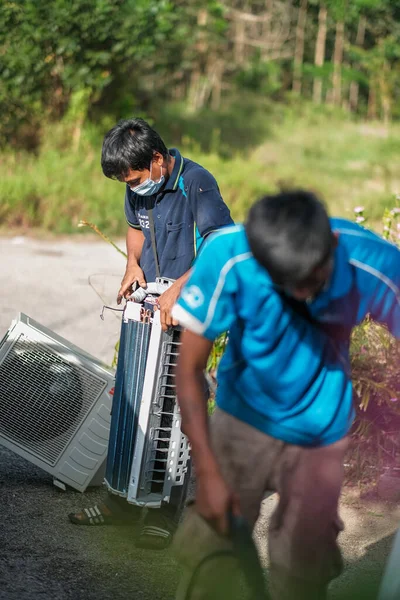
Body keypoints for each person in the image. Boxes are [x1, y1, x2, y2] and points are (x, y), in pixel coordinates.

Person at [171, 190, 400, 599]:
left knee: (303, 564)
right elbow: (188, 370)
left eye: (311, 281)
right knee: (214, 548)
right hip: (241, 420)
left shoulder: (372, 261)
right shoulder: (228, 255)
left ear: (330, 245)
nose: (300, 295)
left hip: (320, 432)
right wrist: (207, 473)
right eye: (285, 284)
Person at [68, 117, 233, 549]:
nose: (132, 185)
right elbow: (135, 227)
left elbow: (220, 242)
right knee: (130, 402)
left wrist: (180, 288)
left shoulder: (196, 182)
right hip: (147, 312)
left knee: (173, 414)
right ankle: (120, 500)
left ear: (158, 160)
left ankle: (163, 512)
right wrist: (131, 265)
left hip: (186, 313)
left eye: (136, 178)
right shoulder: (136, 183)